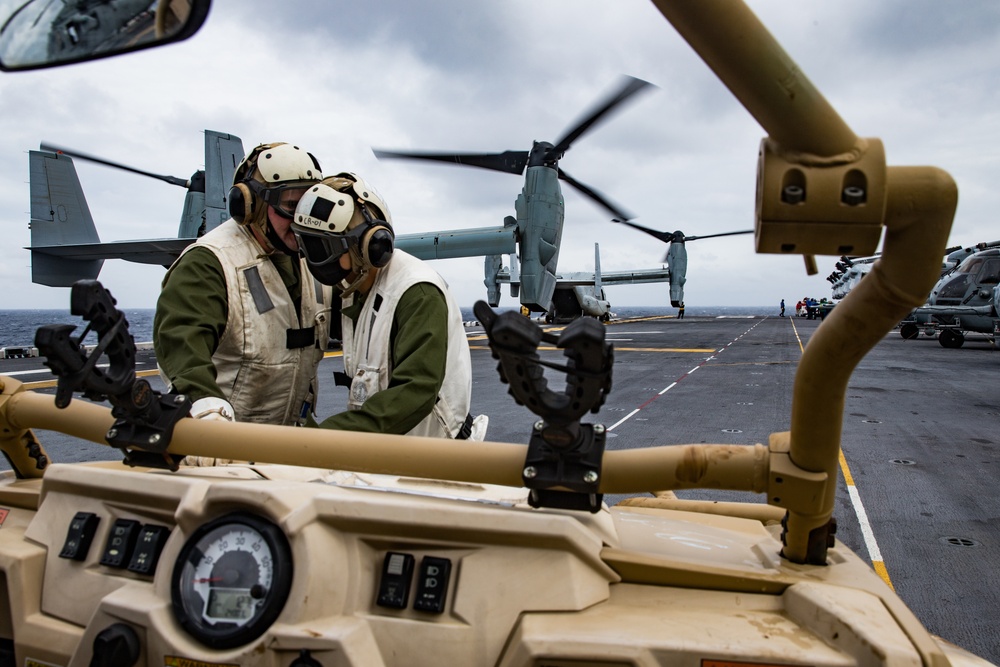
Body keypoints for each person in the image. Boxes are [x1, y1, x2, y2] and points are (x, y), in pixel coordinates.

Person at [291, 172, 487, 440]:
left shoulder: (418, 293)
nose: (316, 261)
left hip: (429, 457)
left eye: (324, 248)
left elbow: (414, 392)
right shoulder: (352, 286)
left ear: (368, 246)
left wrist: (325, 439)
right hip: (386, 449)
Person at [154, 142, 331, 426]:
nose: (300, 220)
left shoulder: (311, 260)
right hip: (231, 442)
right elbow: (183, 348)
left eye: (307, 206)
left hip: (292, 438)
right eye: (289, 206)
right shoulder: (210, 263)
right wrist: (207, 411)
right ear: (250, 206)